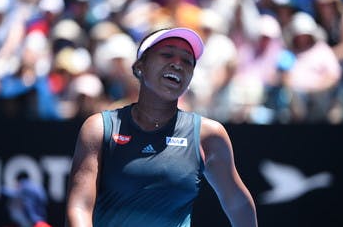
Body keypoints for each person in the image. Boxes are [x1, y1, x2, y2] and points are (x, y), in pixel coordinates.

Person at [64, 27, 258, 227]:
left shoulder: (209, 136)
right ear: (140, 66)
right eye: (167, 54)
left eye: (187, 61)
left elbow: (237, 204)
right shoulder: (99, 129)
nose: (177, 64)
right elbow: (79, 207)